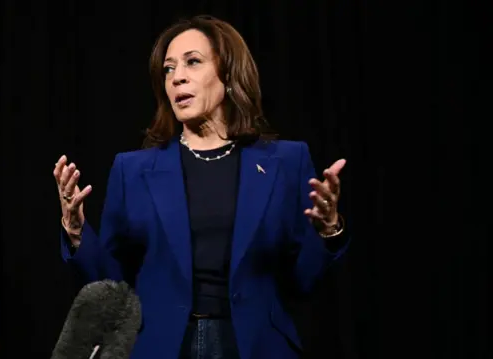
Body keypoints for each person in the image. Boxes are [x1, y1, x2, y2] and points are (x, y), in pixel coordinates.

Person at [52, 15, 350, 359]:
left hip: (256, 347)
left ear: (228, 74)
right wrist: (76, 232)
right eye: (168, 69)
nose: (177, 76)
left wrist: (328, 232)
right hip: (161, 348)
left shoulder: (287, 162)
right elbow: (113, 285)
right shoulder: (132, 170)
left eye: (193, 62)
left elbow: (302, 281)